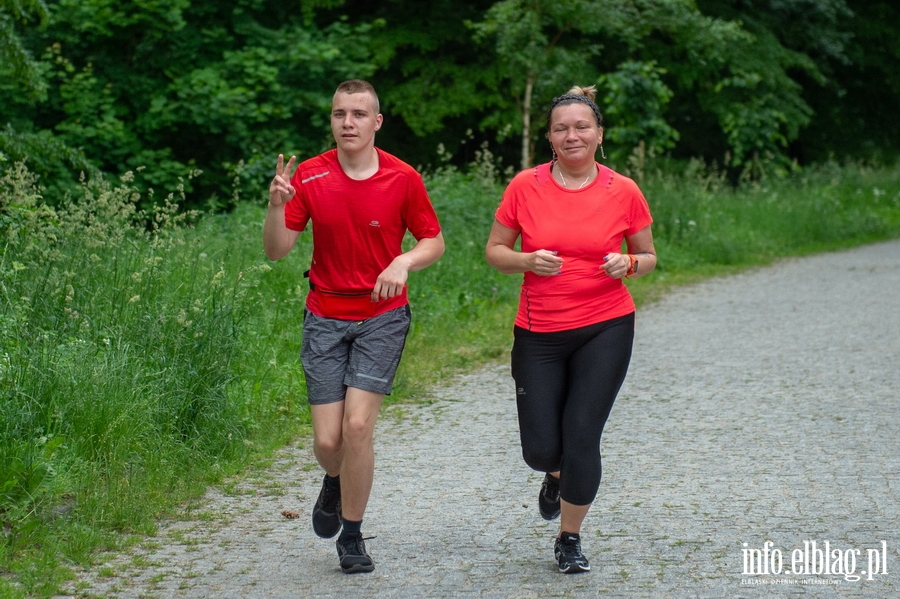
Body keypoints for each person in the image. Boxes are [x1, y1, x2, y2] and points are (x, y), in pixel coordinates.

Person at [263, 79, 444, 574]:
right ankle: (335, 479)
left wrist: (404, 261)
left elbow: (433, 239)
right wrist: (276, 206)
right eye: (340, 113)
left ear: (376, 122)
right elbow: (277, 250)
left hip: (382, 315)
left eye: (359, 114)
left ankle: (353, 536)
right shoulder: (311, 173)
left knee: (357, 426)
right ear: (332, 119)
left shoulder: (402, 177)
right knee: (328, 442)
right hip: (324, 316)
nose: (348, 122)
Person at [485, 85, 656, 574]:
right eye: (562, 128)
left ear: (599, 135)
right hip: (539, 330)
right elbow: (495, 250)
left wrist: (628, 262)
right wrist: (525, 260)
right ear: (550, 138)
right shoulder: (525, 185)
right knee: (540, 448)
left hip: (606, 325)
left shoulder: (623, 189)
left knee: (582, 434)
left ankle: (570, 537)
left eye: (582, 126)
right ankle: (555, 476)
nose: (572, 134)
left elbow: (648, 256)